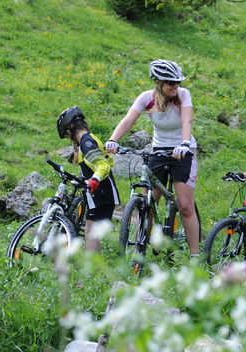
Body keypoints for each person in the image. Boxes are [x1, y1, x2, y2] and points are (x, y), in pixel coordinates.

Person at [104, 59, 200, 256]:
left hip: (183, 150)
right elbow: (128, 120)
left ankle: (196, 256)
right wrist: (113, 140)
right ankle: (139, 253)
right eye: (171, 82)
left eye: (178, 81)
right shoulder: (146, 98)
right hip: (158, 150)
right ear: (158, 82)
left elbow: (186, 122)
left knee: (185, 206)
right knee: (148, 203)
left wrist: (184, 143)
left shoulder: (183, 95)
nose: (175, 85)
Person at [57, 105, 120, 252]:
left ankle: (93, 266)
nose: (68, 138)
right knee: (91, 234)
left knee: (91, 235)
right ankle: (93, 264)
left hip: (102, 194)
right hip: (99, 194)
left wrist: (95, 179)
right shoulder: (88, 140)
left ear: (69, 130)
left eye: (66, 134)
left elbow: (103, 165)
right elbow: (93, 165)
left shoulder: (86, 143)